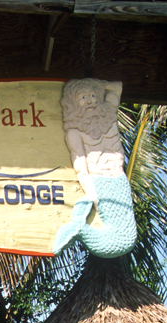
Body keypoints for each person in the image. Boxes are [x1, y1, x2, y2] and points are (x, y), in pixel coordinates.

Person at [52, 78, 137, 258]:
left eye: (92, 96)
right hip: (100, 182)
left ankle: (79, 229)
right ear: (73, 104)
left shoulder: (109, 116)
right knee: (121, 241)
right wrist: (93, 195)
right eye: (83, 97)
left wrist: (94, 85)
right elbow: (81, 169)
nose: (90, 100)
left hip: (120, 180)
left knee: (127, 237)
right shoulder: (74, 132)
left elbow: (117, 86)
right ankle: (79, 229)